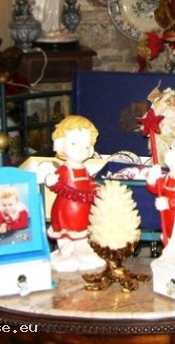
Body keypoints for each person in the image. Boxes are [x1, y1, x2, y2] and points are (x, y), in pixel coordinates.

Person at [41, 114, 104, 271]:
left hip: (83, 209)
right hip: (66, 210)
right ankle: (64, 247)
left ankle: (82, 248)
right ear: (60, 144)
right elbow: (55, 182)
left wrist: (96, 188)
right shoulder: (65, 169)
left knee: (83, 231)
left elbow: (89, 182)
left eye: (85, 145)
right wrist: (50, 180)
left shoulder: (84, 169)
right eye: (74, 143)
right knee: (66, 232)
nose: (81, 148)